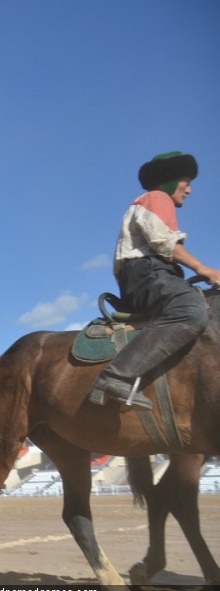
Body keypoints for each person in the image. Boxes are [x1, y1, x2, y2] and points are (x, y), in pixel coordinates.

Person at [89, 152, 220, 409]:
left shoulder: (159, 202)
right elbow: (163, 243)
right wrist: (206, 269)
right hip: (146, 274)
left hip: (155, 274)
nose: (190, 190)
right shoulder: (157, 198)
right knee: (190, 310)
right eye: (186, 182)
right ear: (169, 181)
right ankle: (117, 376)